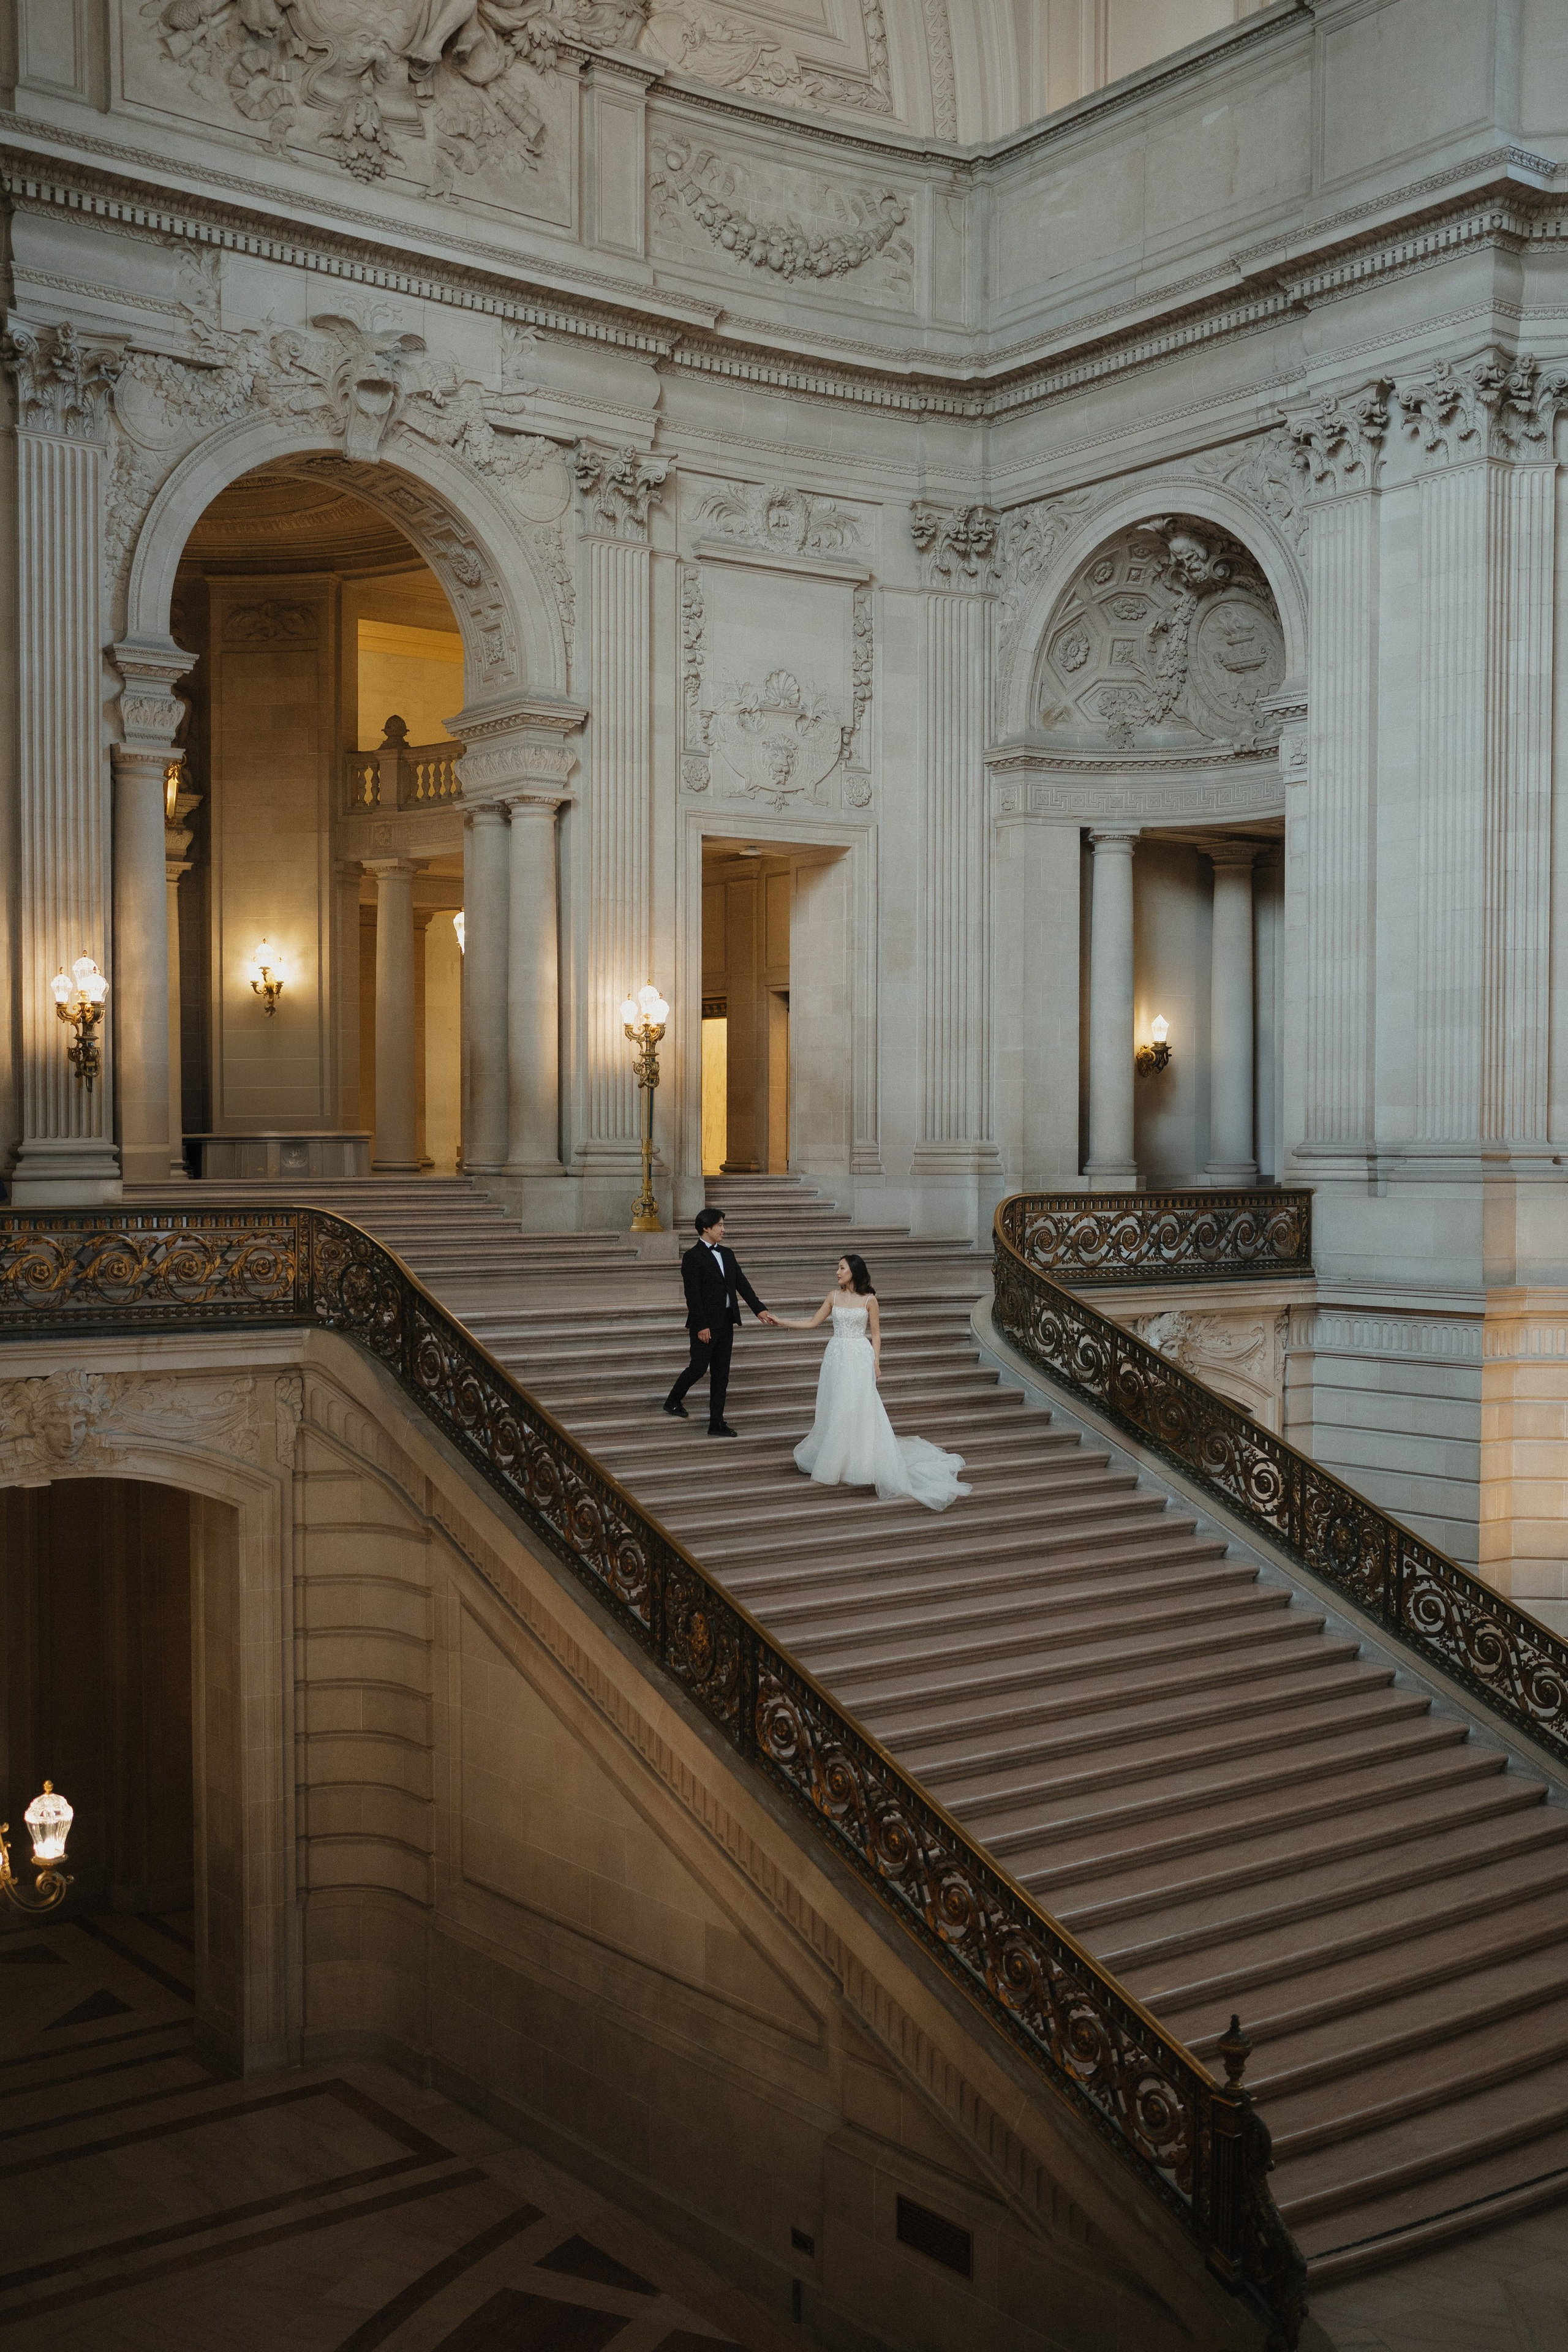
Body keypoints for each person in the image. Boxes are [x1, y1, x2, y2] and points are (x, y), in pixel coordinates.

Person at [772, 1254, 970, 1511]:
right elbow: (812, 1323)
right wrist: (781, 1321)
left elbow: (876, 1335)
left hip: (858, 1357)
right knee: (835, 1406)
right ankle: (838, 1458)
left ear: (853, 1271)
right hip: (835, 1357)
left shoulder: (870, 1300)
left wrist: (876, 1363)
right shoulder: (833, 1296)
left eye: (841, 1268)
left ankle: (860, 1462)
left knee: (857, 1408)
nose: (837, 1272)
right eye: (837, 1268)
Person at [663, 1207, 778, 1436]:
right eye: (720, 1226)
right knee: (698, 1368)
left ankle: (716, 1423)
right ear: (706, 1228)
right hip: (705, 1324)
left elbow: (742, 1284)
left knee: (721, 1373)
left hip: (726, 1322)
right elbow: (692, 1296)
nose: (724, 1229)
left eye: (724, 1225)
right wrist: (701, 1325)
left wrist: (759, 1310)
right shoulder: (693, 1257)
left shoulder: (728, 1254)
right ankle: (673, 1400)